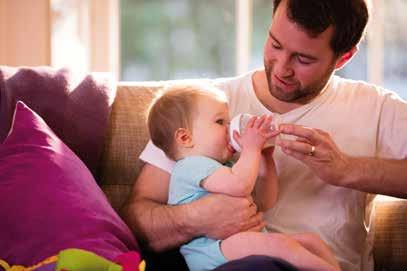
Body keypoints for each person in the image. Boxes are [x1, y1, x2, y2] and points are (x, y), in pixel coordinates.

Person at [122, 0, 407, 271]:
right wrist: (195, 219)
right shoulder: (201, 108)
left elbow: (265, 198)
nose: (281, 68)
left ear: (343, 57)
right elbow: (136, 217)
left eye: (303, 59)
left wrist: (347, 170)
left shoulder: (376, 108)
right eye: (275, 44)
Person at [146, 84, 341, 271]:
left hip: (233, 244)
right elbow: (240, 185)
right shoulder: (190, 166)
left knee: (310, 241)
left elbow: (266, 201)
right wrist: (252, 148)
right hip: (210, 251)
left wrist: (265, 157)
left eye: (229, 122)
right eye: (220, 122)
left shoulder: (226, 168)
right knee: (278, 244)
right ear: (185, 138)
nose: (229, 128)